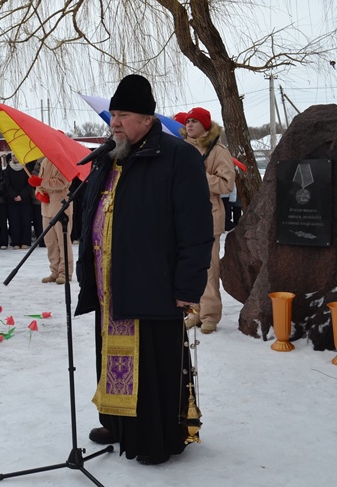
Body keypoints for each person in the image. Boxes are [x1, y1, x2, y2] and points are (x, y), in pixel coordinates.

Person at [76, 74, 213, 466]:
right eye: (112, 114)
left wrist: (188, 285)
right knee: (111, 357)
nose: (113, 122)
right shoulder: (111, 155)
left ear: (147, 119)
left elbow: (197, 229)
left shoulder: (177, 157)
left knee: (152, 364)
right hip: (111, 286)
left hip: (155, 284)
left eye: (123, 115)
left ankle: (154, 436)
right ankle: (119, 424)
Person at [182, 107, 236, 334]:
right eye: (187, 121)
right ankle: (193, 311)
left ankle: (210, 314)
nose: (189, 125)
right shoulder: (182, 148)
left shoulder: (218, 150)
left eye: (195, 121)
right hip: (184, 216)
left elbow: (226, 184)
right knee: (187, 267)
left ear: (205, 125)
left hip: (209, 215)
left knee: (209, 268)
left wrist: (200, 178)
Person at [33, 157, 73, 284]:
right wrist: (38, 192)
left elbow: (62, 182)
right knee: (50, 242)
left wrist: (41, 182)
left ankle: (65, 272)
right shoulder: (44, 161)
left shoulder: (64, 161)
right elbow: (39, 183)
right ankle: (54, 271)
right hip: (47, 208)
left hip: (61, 206)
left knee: (63, 241)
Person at [4, 153, 32, 250]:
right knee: (14, 222)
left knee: (25, 221)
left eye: (17, 156)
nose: (15, 158)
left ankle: (25, 241)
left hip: (25, 200)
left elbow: (29, 183)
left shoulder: (26, 168)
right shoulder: (8, 169)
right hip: (12, 200)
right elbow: (7, 184)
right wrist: (14, 195)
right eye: (13, 156)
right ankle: (15, 242)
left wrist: (22, 195)